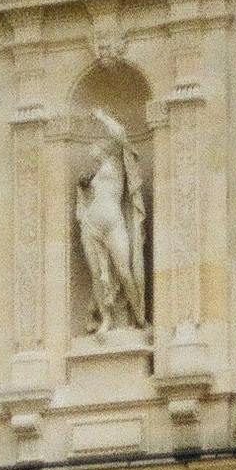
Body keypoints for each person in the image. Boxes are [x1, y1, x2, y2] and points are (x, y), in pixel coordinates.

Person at [74, 113, 147, 332]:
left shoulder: (116, 164)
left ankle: (139, 316)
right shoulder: (94, 176)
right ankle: (105, 318)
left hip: (114, 224)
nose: (91, 151)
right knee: (97, 275)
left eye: (94, 148)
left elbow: (121, 136)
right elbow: (86, 203)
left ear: (105, 149)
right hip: (91, 227)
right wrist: (84, 189)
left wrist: (103, 117)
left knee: (124, 271)